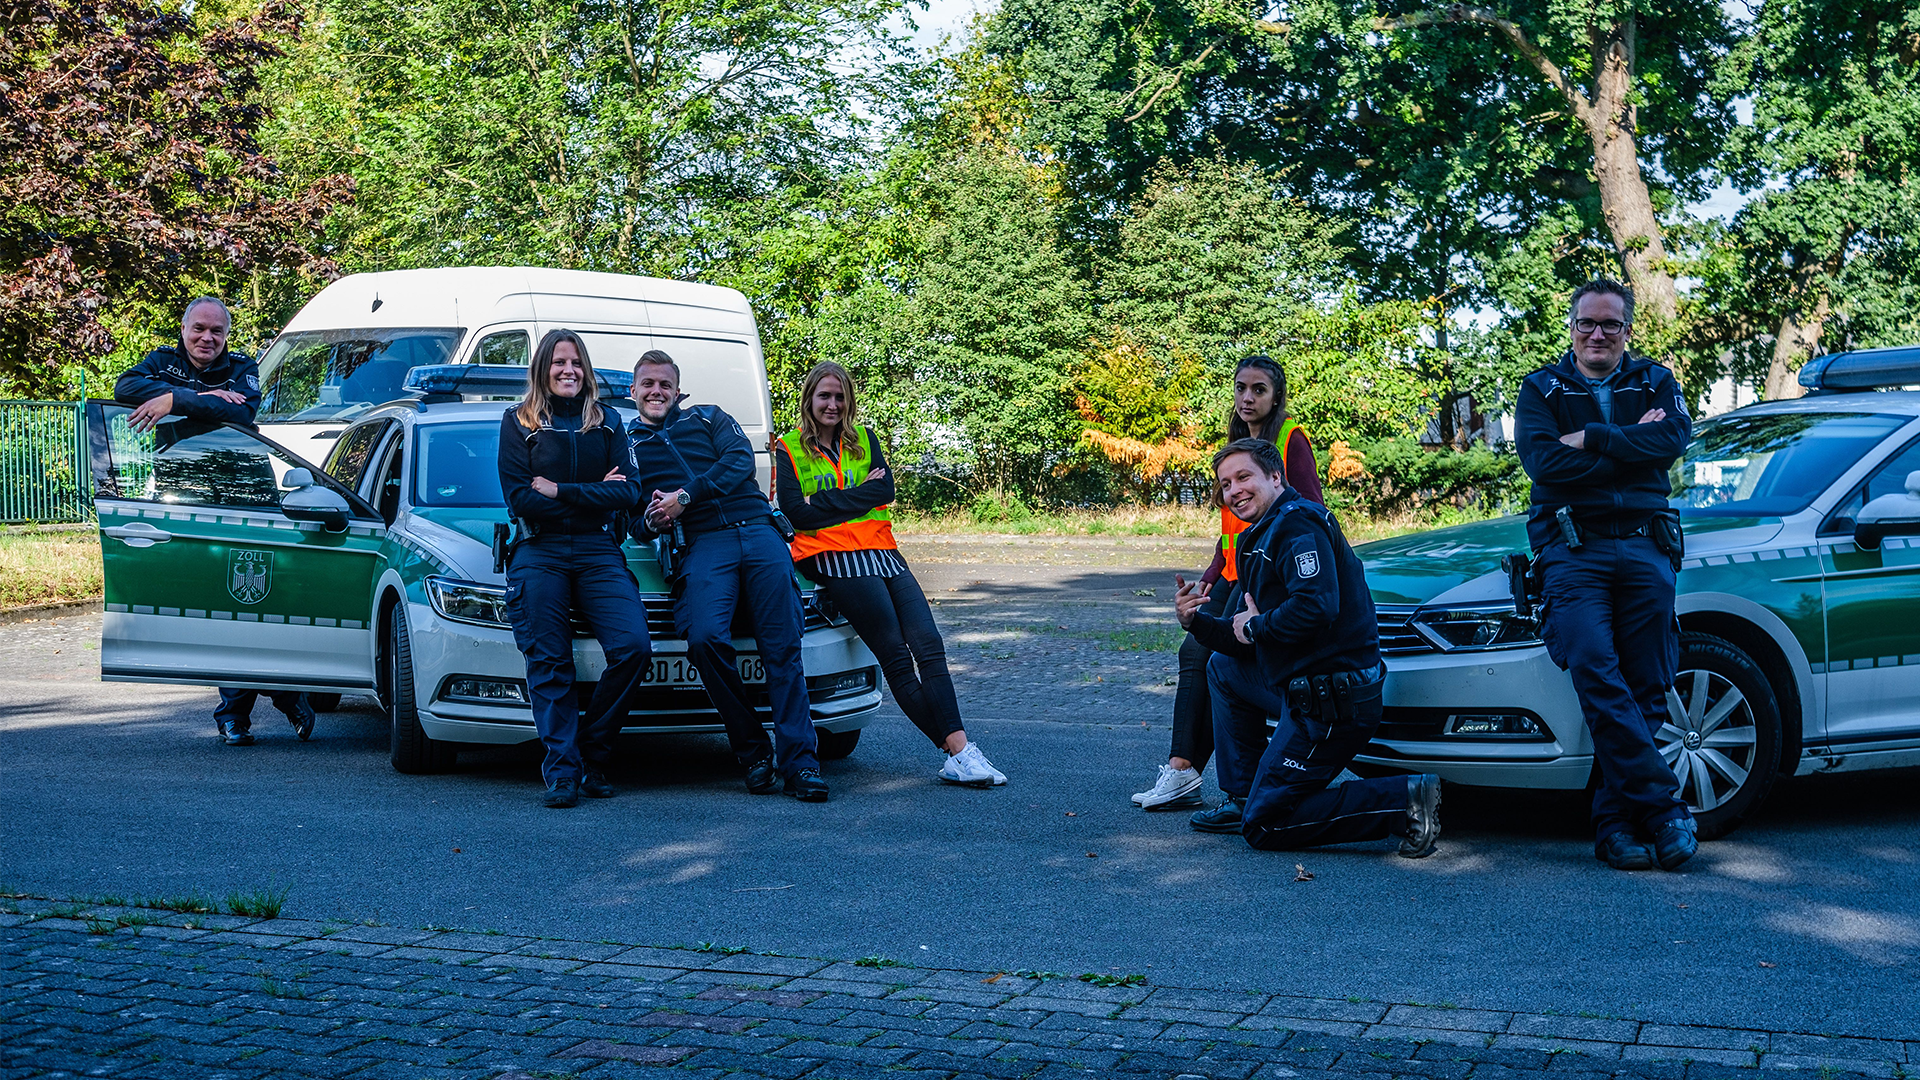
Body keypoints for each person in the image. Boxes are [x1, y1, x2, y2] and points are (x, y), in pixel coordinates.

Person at [1179, 438, 1441, 857]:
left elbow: (1317, 605)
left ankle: (1405, 799)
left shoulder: (1298, 525)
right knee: (1223, 668)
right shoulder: (1260, 535)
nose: (1234, 491)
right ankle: (1245, 797)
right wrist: (1196, 622)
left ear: (1276, 476)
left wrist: (1255, 627)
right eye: (1225, 484)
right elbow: (1243, 632)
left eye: (1243, 477)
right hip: (1301, 685)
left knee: (1266, 825)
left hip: (1334, 702)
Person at [1515, 279, 1696, 871]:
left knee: (1647, 684)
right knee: (1596, 669)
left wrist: (1593, 435)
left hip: (1646, 546)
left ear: (1627, 330)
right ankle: (1666, 810)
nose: (1598, 334)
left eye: (1610, 325)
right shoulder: (1540, 388)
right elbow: (1545, 464)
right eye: (1587, 323)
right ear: (1571, 327)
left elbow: (1672, 440)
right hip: (1573, 550)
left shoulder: (1657, 381)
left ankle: (1616, 827)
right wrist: (1631, 443)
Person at [773, 362, 1007, 787]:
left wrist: (827, 499)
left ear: (849, 402)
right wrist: (855, 499)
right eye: (824, 395)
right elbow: (796, 513)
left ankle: (961, 753)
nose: (832, 404)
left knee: (930, 645)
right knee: (896, 656)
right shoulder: (788, 448)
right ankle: (958, 751)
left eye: (840, 397)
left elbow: (885, 492)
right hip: (832, 556)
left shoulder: (865, 439)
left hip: (882, 550)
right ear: (809, 398)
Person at [623, 350, 827, 802]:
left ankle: (802, 766)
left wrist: (684, 496)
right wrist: (653, 521)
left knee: (782, 647)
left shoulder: (711, 417)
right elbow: (630, 519)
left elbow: (738, 465)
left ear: (679, 391)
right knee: (704, 640)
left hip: (757, 531)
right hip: (703, 544)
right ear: (633, 392)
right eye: (648, 385)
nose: (656, 392)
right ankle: (754, 751)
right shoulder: (628, 446)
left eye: (665, 385)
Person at [114, 296, 314, 746]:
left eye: (216, 331)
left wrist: (174, 400)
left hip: (246, 487)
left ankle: (241, 711)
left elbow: (241, 412)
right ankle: (280, 697)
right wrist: (195, 397)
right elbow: (125, 389)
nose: (207, 338)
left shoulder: (243, 367)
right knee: (217, 598)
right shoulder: (160, 362)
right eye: (198, 329)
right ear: (183, 330)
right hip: (188, 490)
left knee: (260, 596)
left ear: (226, 335)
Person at [1133, 355, 1322, 810]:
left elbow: (1311, 510)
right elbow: (1228, 535)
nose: (1247, 398)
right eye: (1241, 388)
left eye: (1258, 389)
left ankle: (1193, 773)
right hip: (1236, 571)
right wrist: (1206, 583)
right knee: (1196, 648)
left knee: (1211, 654)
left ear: (1276, 395)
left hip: (1267, 575)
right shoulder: (1237, 445)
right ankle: (1184, 771)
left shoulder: (1289, 440)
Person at [497, 330, 652, 808]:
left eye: (577, 363)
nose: (569, 371)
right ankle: (563, 772)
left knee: (633, 647)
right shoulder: (518, 422)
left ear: (586, 371)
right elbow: (520, 498)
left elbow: (628, 494)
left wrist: (561, 491)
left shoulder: (609, 424)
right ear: (543, 368)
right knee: (551, 662)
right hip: (538, 552)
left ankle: (592, 750)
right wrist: (592, 491)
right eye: (559, 362)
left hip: (597, 550)